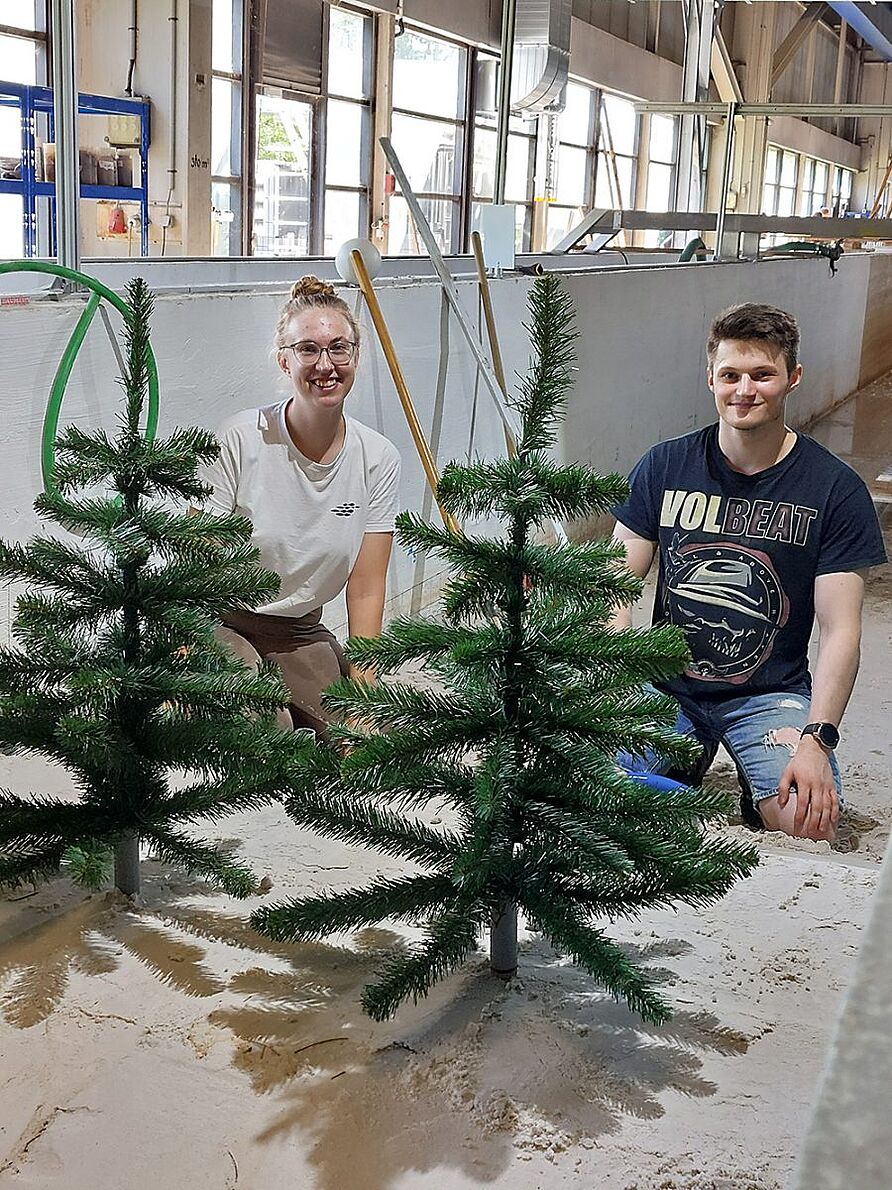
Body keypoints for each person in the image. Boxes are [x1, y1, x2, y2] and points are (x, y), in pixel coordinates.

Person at [610, 302, 886, 842]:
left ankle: (753, 789)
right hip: (667, 687)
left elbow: (840, 631)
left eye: (763, 375)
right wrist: (618, 682)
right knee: (599, 789)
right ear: (710, 376)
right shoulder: (665, 466)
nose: (744, 390)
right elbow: (615, 587)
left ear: (792, 379)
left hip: (770, 695)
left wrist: (816, 741)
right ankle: (678, 779)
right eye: (731, 375)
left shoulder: (834, 490)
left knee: (809, 826)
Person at [198, 276, 401, 736]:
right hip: (224, 620)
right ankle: (189, 696)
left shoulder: (378, 459)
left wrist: (363, 695)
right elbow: (195, 562)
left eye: (338, 348)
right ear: (284, 361)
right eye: (308, 350)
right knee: (270, 731)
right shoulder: (238, 439)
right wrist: (184, 642)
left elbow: (366, 589)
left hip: (299, 629)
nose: (325, 364)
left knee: (364, 739)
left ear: (355, 357)